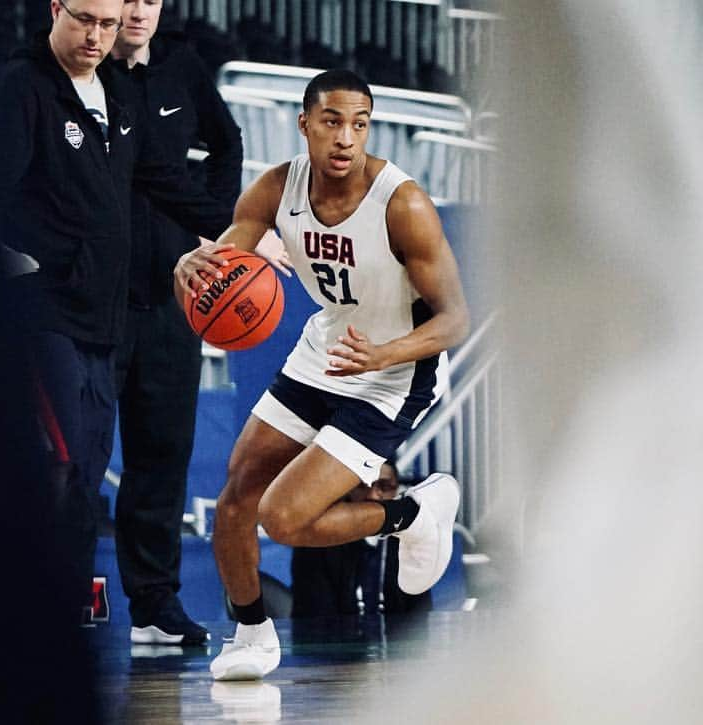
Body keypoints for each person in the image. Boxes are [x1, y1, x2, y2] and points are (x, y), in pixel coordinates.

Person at [173, 69, 470, 680]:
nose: (346, 138)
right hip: (323, 353)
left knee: (283, 517)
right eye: (332, 121)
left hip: (393, 371)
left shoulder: (403, 204)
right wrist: (193, 265)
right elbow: (228, 259)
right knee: (235, 500)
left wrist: (384, 357)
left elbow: (456, 320)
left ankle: (411, 514)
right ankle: (252, 637)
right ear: (304, 123)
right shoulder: (275, 189)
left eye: (359, 124)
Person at [0, 0, 233, 624]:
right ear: (55, 9)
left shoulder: (115, 97)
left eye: (108, 24)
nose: (96, 36)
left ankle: (62, 607)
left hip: (104, 320)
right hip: (49, 318)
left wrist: (244, 235)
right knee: (58, 468)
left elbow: (166, 181)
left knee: (85, 474)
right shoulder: (23, 87)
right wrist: (20, 267)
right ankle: (19, 607)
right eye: (85, 19)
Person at [104, 0, 242, 646]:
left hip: (173, 298)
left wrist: (214, 218)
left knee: (163, 454)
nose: (137, 12)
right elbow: (146, 173)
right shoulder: (82, 71)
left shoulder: (183, 65)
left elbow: (228, 140)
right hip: (94, 300)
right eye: (126, 0)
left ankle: (154, 602)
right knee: (76, 462)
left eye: (150, 0)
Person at [290, 460, 432, 618]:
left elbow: (420, 619)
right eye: (362, 485)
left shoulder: (411, 543)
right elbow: (314, 618)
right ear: (347, 490)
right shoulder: (317, 542)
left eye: (384, 486)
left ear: (397, 490)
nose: (372, 495)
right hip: (334, 640)